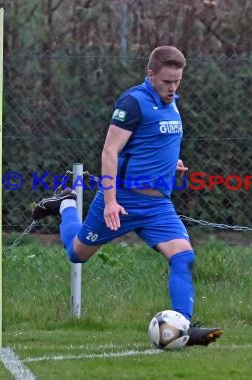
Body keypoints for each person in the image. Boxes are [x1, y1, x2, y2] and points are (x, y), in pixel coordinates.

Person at [32, 46, 222, 346]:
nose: (173, 88)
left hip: (157, 204)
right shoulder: (133, 103)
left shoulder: (171, 103)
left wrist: (172, 166)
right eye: (167, 82)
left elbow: (155, 143)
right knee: (76, 255)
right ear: (151, 75)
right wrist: (110, 201)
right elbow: (110, 150)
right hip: (123, 199)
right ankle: (67, 204)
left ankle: (184, 327)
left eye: (177, 81)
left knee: (184, 258)